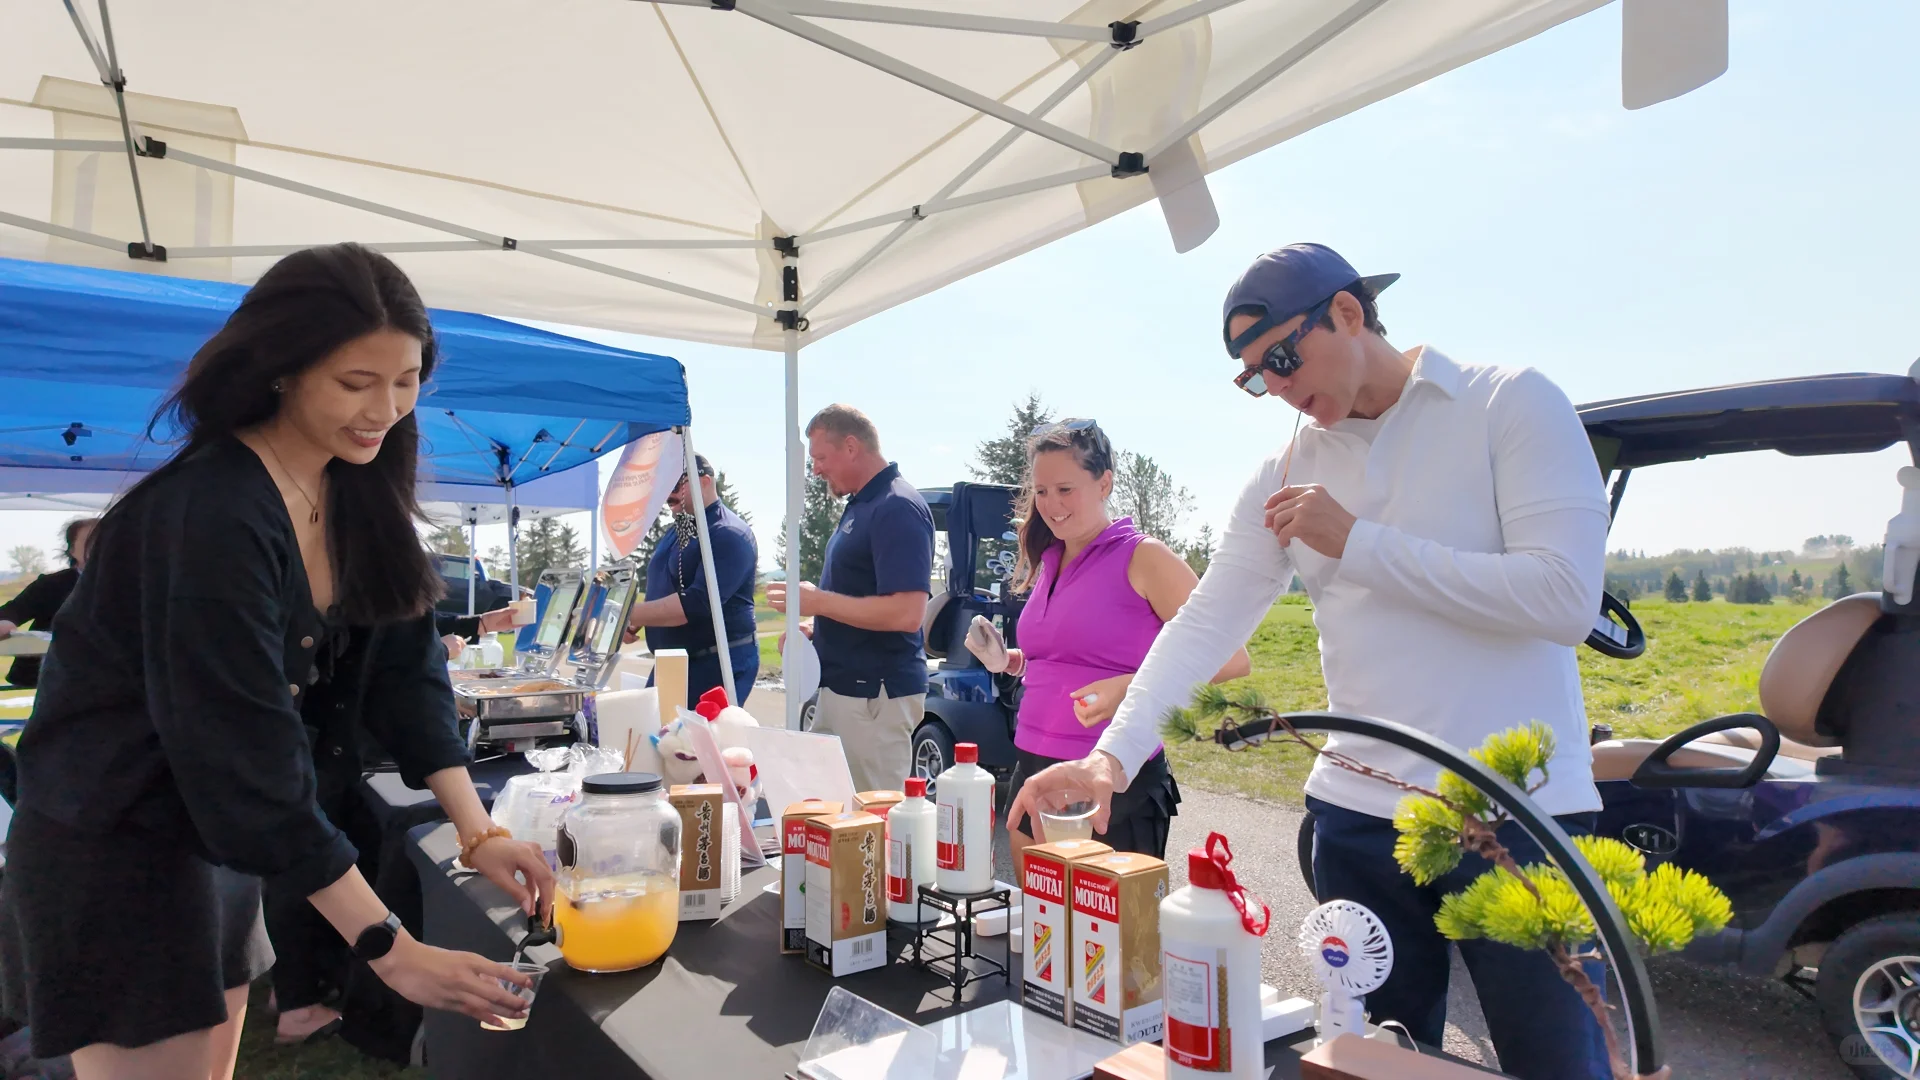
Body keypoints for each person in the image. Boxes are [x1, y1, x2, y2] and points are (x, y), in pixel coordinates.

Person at [1008, 243, 1613, 1080]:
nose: (1280, 388)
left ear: (1351, 312)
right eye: (1257, 376)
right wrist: (1113, 754)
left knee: (1555, 1064)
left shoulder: (1508, 403)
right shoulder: (1286, 471)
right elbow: (1204, 625)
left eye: (1283, 357)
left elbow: (1564, 598)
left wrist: (1358, 544)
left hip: (1518, 813)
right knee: (1368, 1065)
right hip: (1361, 822)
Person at [0, 243, 555, 1080]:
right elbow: (239, 754)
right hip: (117, 850)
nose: (387, 410)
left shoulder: (352, 488)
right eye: (355, 383)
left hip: (216, 840)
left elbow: (408, 671)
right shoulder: (209, 515)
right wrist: (390, 948)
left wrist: (477, 832)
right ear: (280, 371)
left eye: (406, 381)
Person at [964, 419, 1247, 871]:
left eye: (1064, 489)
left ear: (1105, 483)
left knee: (1109, 938)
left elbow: (1232, 659)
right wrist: (1010, 661)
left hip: (1112, 778)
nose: (1051, 506)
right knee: (1044, 930)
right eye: (1041, 492)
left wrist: (1129, 687)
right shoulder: (1050, 558)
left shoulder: (1144, 556)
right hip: (1032, 764)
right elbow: (1064, 660)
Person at [766, 405, 933, 793]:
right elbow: (865, 599)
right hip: (847, 692)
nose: (816, 470)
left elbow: (908, 612)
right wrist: (816, 626)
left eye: (821, 458)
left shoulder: (897, 507)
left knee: (868, 824)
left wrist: (819, 602)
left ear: (852, 446)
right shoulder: (865, 505)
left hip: (873, 697)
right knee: (837, 820)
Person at [626, 453, 760, 707]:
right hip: (675, 664)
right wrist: (636, 622)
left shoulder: (728, 534)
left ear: (705, 481)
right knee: (653, 738)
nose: (668, 496)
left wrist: (629, 615)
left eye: (675, 485)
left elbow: (697, 603)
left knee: (696, 745)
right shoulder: (680, 528)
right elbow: (665, 582)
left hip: (715, 664)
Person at [0, 518, 97, 688]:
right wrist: (6, 622)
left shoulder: (133, 585)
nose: (98, 546)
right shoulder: (51, 584)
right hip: (53, 678)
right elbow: (14, 610)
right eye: (89, 540)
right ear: (72, 550)